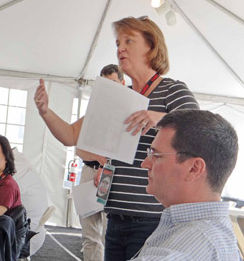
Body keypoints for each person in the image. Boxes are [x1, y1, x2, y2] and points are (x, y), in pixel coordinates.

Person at [34, 16, 199, 261]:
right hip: (115, 219)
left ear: (151, 47)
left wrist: (158, 118)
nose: (120, 48)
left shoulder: (173, 90)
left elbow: (199, 132)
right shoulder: (118, 97)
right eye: (118, 42)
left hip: (152, 221)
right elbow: (70, 136)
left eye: (129, 41)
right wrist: (45, 112)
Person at [130, 109, 240, 260]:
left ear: (194, 169)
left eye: (156, 155)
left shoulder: (193, 245)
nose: (145, 164)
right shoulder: (204, 232)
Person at [72, 64, 124, 261]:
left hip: (115, 175)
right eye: (104, 84)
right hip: (89, 173)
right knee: (90, 234)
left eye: (113, 83)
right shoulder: (93, 113)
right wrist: (99, 159)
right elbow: (79, 149)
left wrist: (106, 164)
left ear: (122, 82)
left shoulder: (131, 112)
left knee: (110, 234)